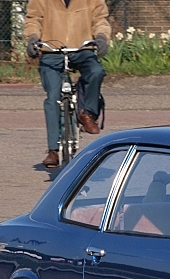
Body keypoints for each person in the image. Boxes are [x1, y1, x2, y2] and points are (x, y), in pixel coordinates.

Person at [25, 0, 111, 168]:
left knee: (96, 72)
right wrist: (32, 38)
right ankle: (53, 150)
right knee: (53, 97)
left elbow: (100, 19)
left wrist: (101, 38)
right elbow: (33, 19)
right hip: (52, 52)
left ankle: (87, 114)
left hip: (82, 50)